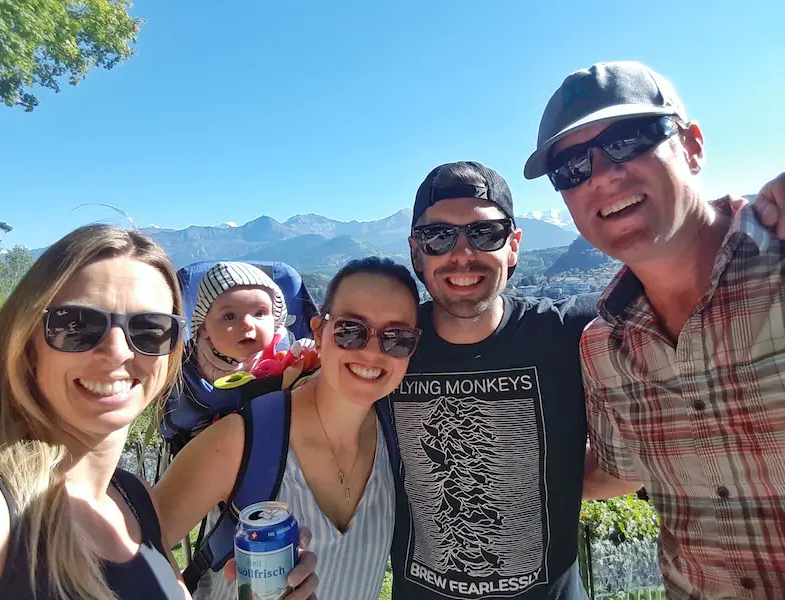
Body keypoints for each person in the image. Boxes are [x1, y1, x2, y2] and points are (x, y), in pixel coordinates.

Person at [523, 60, 785, 599]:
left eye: (627, 139)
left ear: (692, 145)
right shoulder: (605, 348)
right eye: (571, 168)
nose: (599, 174)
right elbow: (623, 471)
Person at [387, 161, 607, 600]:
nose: (462, 254)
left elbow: (683, 286)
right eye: (438, 236)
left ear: (513, 245)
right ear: (416, 251)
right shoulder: (382, 347)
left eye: (485, 234)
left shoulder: (571, 332)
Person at [154, 257, 422, 600]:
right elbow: (130, 553)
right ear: (319, 332)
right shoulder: (241, 442)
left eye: (397, 338)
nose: (371, 352)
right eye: (350, 330)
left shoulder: (402, 441)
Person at [0, 224, 191, 600]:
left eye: (150, 329)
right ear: (27, 343)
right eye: (76, 325)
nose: (117, 352)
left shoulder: (135, 500)